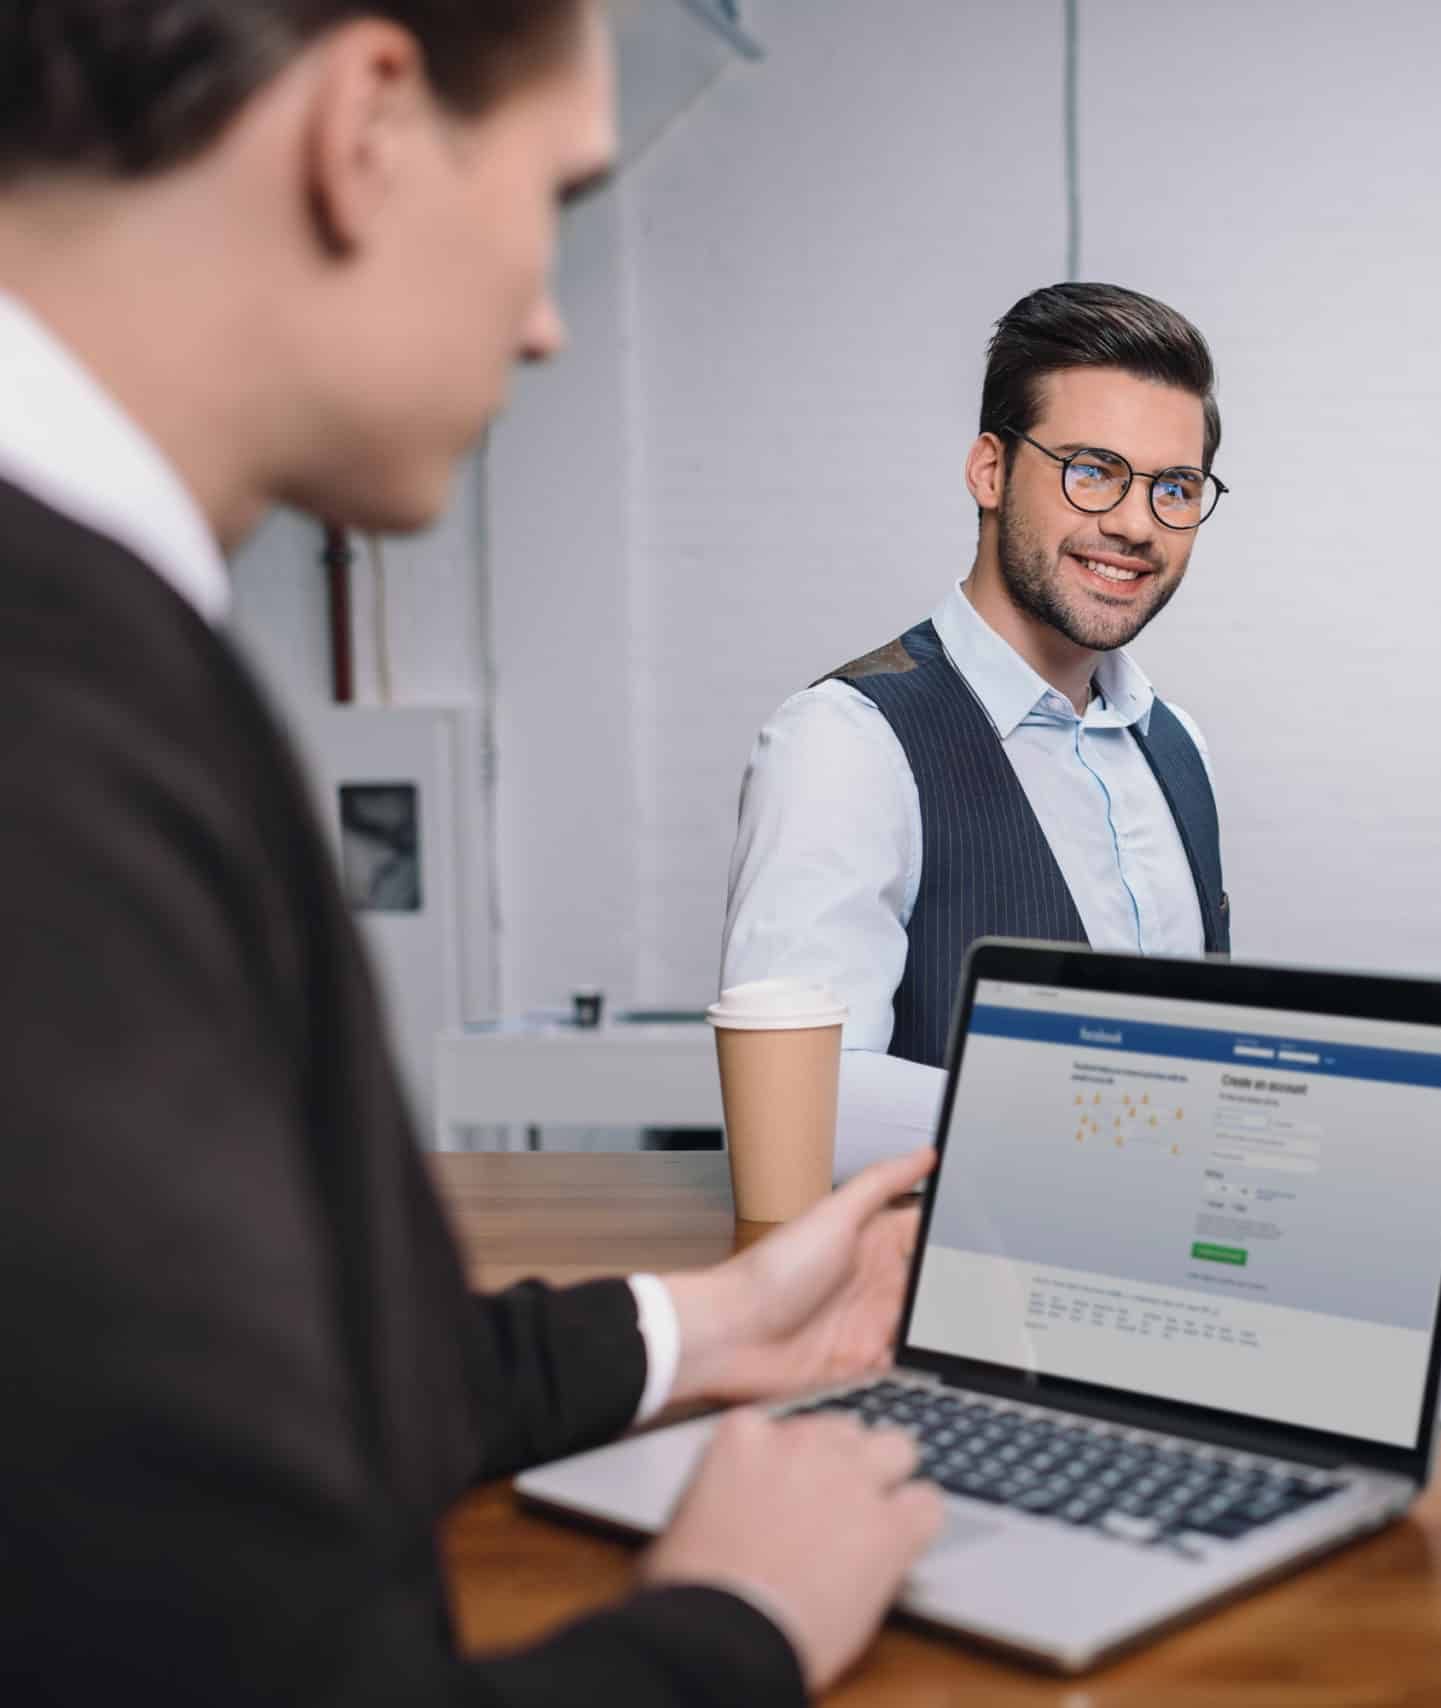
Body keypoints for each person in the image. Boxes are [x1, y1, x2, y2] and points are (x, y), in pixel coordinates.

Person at [0, 3, 946, 1701]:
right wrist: (736, 1617)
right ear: (364, 124)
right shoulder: (50, 725)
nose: (546, 322)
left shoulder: (97, 655)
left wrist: (711, 1324)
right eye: (557, 199)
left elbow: (239, 1391)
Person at [722, 282, 1232, 1176]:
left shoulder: (1177, 745)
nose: (1131, 524)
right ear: (990, 471)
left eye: (1175, 487)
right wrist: (1123, 1116)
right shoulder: (847, 742)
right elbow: (795, 1106)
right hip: (943, 1303)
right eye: (1091, 470)